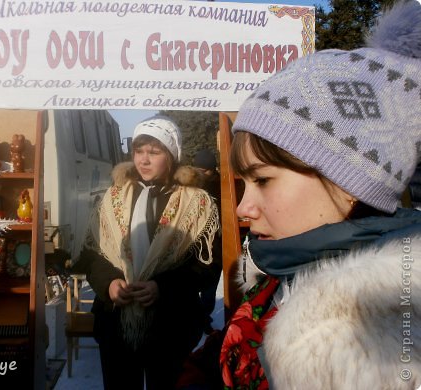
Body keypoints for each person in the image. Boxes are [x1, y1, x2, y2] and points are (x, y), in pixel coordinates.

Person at [219, 1, 421, 388]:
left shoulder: (367, 344)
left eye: (262, 180)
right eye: (243, 183)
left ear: (349, 186)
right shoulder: (282, 272)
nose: (244, 208)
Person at [74, 115, 220, 390]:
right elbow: (91, 255)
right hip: (117, 323)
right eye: (139, 151)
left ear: (172, 156)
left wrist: (161, 287)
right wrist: (110, 284)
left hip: (170, 325)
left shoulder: (196, 203)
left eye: (154, 152)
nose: (143, 160)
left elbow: (206, 266)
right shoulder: (113, 198)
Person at [193, 149, 223, 334]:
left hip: (216, 248)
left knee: (209, 291)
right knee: (189, 290)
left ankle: (203, 319)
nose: (202, 175)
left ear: (213, 169)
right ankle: (198, 319)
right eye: (198, 170)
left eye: (206, 171)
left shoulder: (222, 186)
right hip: (193, 247)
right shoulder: (189, 187)